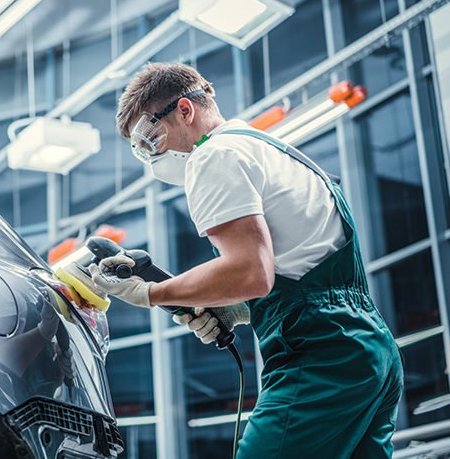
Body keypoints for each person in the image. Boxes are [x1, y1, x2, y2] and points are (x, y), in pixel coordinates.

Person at [88, 62, 404, 458]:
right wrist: (238, 310)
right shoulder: (268, 149)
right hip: (368, 347)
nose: (151, 155)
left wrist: (151, 291)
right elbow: (297, 266)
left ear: (185, 111)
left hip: (319, 354)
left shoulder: (212, 156)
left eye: (150, 137)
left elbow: (251, 272)